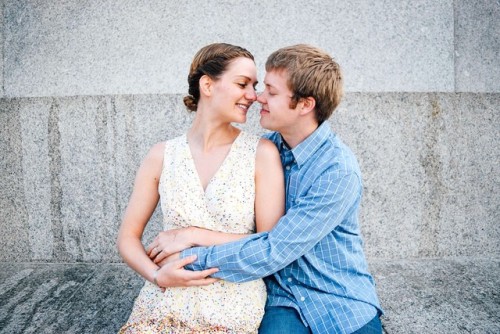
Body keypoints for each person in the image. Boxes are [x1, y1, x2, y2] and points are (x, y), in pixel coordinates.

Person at [150, 44, 383, 334]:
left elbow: (274, 248)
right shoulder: (267, 149)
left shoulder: (337, 171)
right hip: (282, 297)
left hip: (338, 299)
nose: (258, 97)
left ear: (305, 105)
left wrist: (188, 259)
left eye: (271, 92)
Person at [117, 43, 285, 333]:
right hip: (164, 299)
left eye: (254, 85)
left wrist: (192, 235)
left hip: (232, 301)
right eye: (242, 84)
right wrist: (158, 276)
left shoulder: (262, 153)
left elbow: (268, 243)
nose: (253, 96)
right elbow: (127, 238)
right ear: (207, 84)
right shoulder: (161, 155)